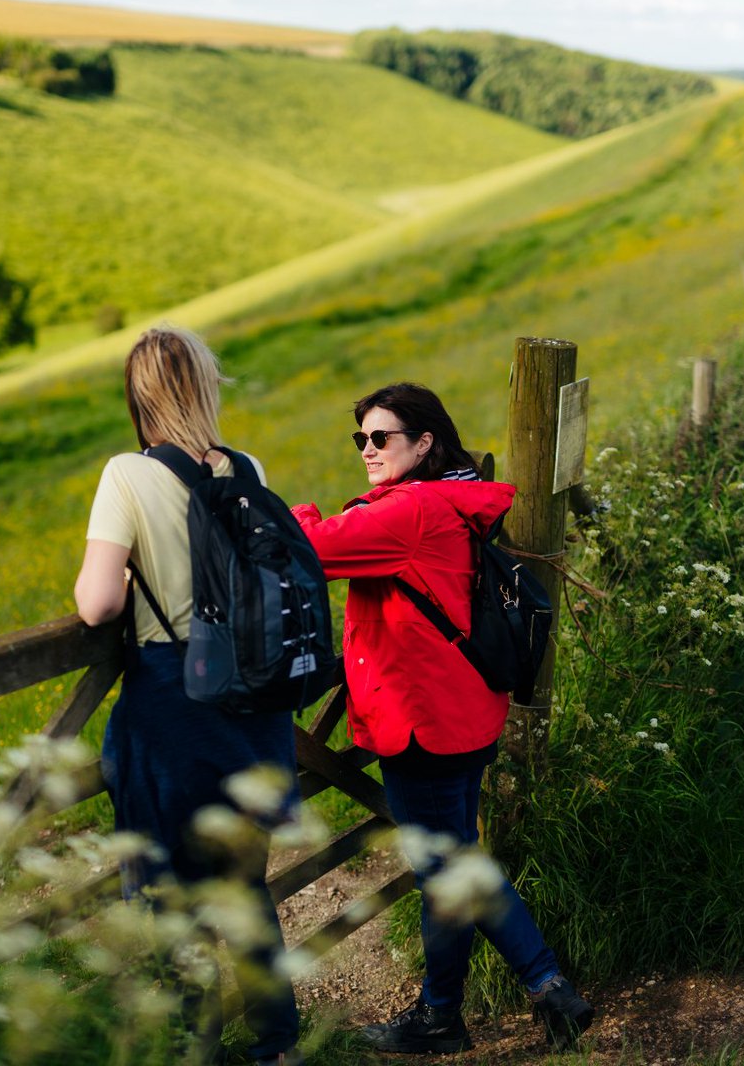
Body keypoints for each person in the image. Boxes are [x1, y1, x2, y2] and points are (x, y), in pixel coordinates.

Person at [291, 382, 593, 1055]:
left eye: (382, 437)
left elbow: (306, 549)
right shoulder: (453, 497)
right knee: (452, 866)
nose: (367, 450)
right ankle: (442, 1014)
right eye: (360, 439)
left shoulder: (412, 510)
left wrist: (300, 508)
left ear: (424, 442)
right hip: (463, 712)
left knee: (450, 869)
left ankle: (548, 987)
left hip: (421, 721)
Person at [74, 325, 303, 1066]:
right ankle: (277, 1043)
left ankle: (189, 1047)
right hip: (254, 703)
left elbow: (98, 605)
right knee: (243, 881)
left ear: (138, 397)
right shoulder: (246, 465)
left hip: (175, 704)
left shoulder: (125, 476)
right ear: (205, 386)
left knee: (167, 894)